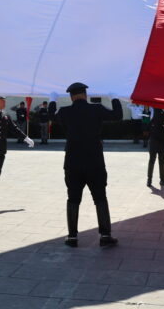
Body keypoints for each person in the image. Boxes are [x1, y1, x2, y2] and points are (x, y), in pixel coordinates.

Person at [49, 82, 122, 248]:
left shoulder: (65, 111)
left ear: (71, 96)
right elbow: (118, 115)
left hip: (73, 163)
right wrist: (115, 98)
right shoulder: (96, 109)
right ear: (85, 95)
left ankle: (72, 237)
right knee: (100, 198)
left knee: (73, 199)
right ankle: (105, 235)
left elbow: (50, 116)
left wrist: (52, 100)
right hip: (94, 162)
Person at [147, 108, 164, 187]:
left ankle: (162, 179)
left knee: (162, 160)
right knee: (152, 159)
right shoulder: (157, 109)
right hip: (154, 138)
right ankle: (149, 179)